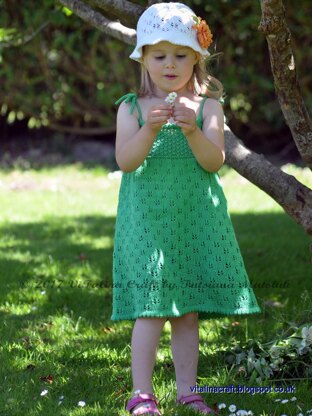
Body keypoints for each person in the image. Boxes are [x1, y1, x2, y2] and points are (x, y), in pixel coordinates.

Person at [111, 2, 261, 415]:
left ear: (197, 57)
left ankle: (188, 391)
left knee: (187, 311)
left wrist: (193, 129)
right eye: (159, 55)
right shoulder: (132, 107)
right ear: (143, 58)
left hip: (193, 221)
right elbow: (127, 161)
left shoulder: (208, 107)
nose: (170, 64)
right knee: (150, 309)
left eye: (180, 54)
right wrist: (151, 129)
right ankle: (141, 394)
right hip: (147, 222)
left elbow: (214, 162)